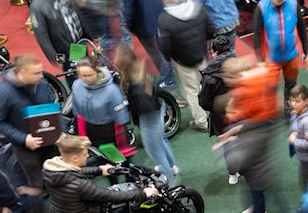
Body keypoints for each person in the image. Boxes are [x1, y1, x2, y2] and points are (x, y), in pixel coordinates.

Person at [221, 61, 283, 213]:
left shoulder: (256, 104)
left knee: (266, 194)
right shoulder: (247, 95)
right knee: (263, 193)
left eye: (229, 76)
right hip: (253, 165)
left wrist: (234, 139)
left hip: (258, 168)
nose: (226, 80)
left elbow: (253, 132)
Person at [0, 55, 58, 208]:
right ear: (23, 71)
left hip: (50, 143)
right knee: (34, 185)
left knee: (57, 176)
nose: (41, 76)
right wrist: (24, 138)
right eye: (36, 73)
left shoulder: (42, 84)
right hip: (26, 149)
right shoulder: (2, 92)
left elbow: (51, 111)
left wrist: (59, 132)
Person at [114, 45, 180, 185]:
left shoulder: (135, 85)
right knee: (162, 141)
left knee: (156, 153)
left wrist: (129, 108)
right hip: (157, 111)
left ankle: (169, 184)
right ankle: (172, 167)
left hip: (149, 120)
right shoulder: (140, 70)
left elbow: (143, 105)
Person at [158, 0, 215, 132]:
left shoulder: (164, 19)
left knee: (192, 92)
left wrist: (172, 57)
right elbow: (210, 29)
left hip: (183, 62)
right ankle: (216, 114)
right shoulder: (197, 7)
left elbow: (164, 47)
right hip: (201, 56)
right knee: (208, 85)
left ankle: (202, 122)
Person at [251, 0, 306, 108]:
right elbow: (256, 32)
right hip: (271, 58)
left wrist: (306, 51)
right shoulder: (262, 7)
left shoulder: (293, 5)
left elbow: (302, 29)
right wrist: (260, 59)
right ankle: (270, 112)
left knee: (291, 85)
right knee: (271, 88)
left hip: (291, 55)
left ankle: (289, 107)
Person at [71, 57, 132, 149]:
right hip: (88, 129)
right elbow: (77, 111)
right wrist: (82, 134)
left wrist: (122, 143)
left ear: (97, 71)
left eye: (90, 75)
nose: (87, 79)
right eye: (84, 75)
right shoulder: (76, 86)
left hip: (108, 131)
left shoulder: (112, 91)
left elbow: (120, 118)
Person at [198, 36, 238, 138]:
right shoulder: (240, 65)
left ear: (214, 52)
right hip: (242, 113)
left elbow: (204, 102)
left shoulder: (209, 76)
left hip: (221, 119)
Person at [28, 0, 84, 72]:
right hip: (65, 49)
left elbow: (77, 14)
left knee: (86, 68)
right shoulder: (37, 6)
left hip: (79, 41)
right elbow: (42, 36)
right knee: (74, 73)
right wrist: (54, 56)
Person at [288, 85, 308, 193]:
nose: (293, 104)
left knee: (306, 183)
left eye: (297, 101)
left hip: (307, 156)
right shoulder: (300, 111)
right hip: (304, 154)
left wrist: (294, 141)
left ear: (306, 100)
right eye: (291, 101)